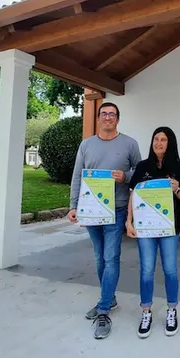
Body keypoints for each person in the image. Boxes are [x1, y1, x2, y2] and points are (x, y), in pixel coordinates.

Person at [67, 102, 142, 339]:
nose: (108, 117)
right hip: (91, 210)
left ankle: (103, 311)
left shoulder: (129, 144)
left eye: (112, 114)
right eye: (104, 114)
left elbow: (140, 174)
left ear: (118, 119)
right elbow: (77, 175)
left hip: (117, 210)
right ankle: (109, 299)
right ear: (99, 118)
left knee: (111, 257)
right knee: (100, 258)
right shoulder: (86, 144)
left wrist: (126, 176)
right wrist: (73, 205)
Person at [126, 127, 180, 339]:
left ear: (170, 143)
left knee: (170, 270)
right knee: (146, 270)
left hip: (169, 229)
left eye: (163, 140)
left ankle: (172, 309)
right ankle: (146, 311)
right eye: (156, 139)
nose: (159, 143)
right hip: (145, 229)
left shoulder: (178, 167)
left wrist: (177, 189)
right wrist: (129, 221)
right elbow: (133, 194)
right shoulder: (143, 166)